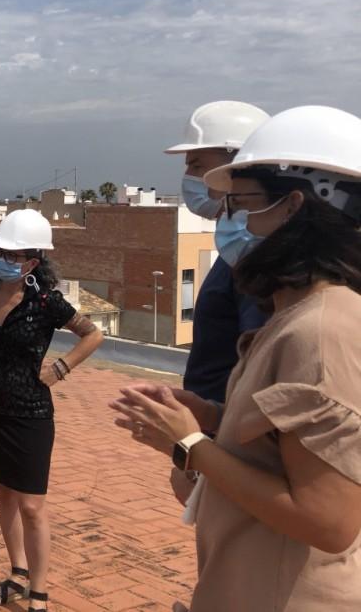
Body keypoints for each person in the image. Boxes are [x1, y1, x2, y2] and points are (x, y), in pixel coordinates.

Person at [112, 106, 361, 611]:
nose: (228, 218)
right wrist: (210, 420)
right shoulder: (296, 318)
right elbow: (284, 448)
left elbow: (328, 521)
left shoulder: (320, 332)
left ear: (292, 207)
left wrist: (189, 444)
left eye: (240, 203)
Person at [0, 210, 104, 610]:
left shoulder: (46, 302)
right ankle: (17, 573)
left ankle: (39, 593)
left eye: (13, 254)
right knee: (3, 495)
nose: (3, 259)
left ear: (32, 262)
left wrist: (60, 368)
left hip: (31, 412)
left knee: (31, 505)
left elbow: (92, 334)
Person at [163, 101, 269, 501]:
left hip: (237, 453)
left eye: (195, 165)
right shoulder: (236, 250)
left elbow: (258, 373)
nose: (187, 177)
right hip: (218, 440)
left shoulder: (256, 258)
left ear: (234, 167)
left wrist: (200, 455)